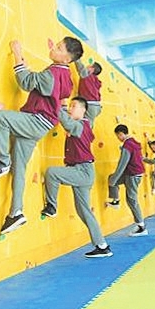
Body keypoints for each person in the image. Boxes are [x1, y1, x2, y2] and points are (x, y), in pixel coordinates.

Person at [0, 36, 84, 235]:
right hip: (42, 124)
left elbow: (26, 82)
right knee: (19, 168)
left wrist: (18, 53)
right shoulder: (66, 77)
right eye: (56, 45)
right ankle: (16, 212)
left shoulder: (53, 73)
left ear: (67, 59)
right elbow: (52, 91)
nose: (54, 49)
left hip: (36, 120)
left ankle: (2, 160)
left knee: (0, 118)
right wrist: (30, 70)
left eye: (59, 48)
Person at [40, 97, 112, 258]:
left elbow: (68, 123)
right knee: (83, 211)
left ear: (83, 110)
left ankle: (51, 207)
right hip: (80, 170)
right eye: (70, 106)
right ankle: (102, 245)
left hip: (83, 171)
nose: (70, 109)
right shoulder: (80, 127)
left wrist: (56, 104)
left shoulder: (82, 125)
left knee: (52, 172)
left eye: (74, 106)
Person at [106, 124, 148, 237]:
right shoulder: (134, 143)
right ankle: (116, 201)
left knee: (131, 199)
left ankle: (141, 226)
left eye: (117, 136)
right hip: (132, 173)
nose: (118, 138)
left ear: (121, 134)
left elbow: (122, 164)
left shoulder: (127, 145)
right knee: (111, 177)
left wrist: (114, 180)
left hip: (133, 175)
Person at [74, 59, 102, 127]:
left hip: (90, 105)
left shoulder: (87, 75)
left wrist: (76, 56)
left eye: (89, 66)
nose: (87, 66)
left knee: (86, 125)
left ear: (92, 69)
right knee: (87, 123)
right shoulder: (95, 80)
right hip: (96, 106)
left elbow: (80, 66)